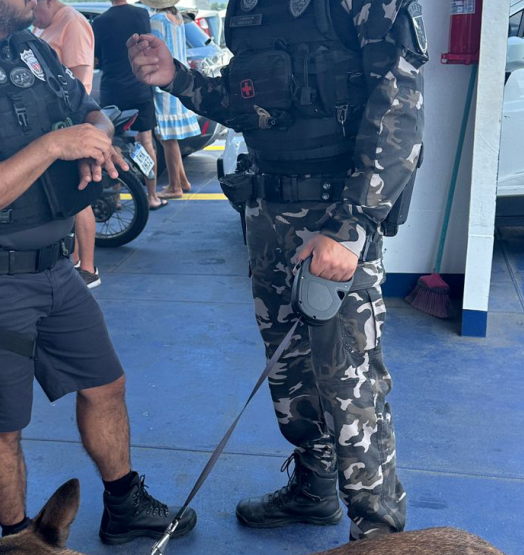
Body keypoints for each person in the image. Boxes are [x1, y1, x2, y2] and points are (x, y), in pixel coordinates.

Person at [0, 0, 197, 545]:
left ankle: (123, 506)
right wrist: (54, 145)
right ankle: (19, 538)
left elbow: (88, 109)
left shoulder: (26, 49)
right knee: (1, 423)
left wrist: (92, 137)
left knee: (106, 385)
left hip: (56, 266)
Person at [129, 0, 427, 542]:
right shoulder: (251, 8)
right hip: (269, 215)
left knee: (349, 380)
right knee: (290, 373)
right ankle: (315, 492)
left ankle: (379, 535)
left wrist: (351, 228)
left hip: (335, 219)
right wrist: (177, 78)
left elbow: (399, 111)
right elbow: (250, 106)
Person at [33, 0, 101, 288]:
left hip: (68, 124)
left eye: (34, 7)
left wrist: (72, 126)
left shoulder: (71, 22)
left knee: (78, 199)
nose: (31, 13)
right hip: (52, 127)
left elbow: (80, 77)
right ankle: (73, 262)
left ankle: (88, 268)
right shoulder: (44, 24)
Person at [93, 0, 166, 210]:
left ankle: (115, 198)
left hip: (112, 89)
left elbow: (96, 57)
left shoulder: (100, 21)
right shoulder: (141, 14)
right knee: (146, 140)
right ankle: (151, 196)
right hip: (139, 85)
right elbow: (147, 46)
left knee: (112, 141)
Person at [147, 0, 200, 200]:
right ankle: (182, 181)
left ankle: (174, 186)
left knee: (167, 137)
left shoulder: (157, 20)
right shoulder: (177, 17)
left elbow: (154, 54)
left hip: (163, 84)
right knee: (171, 137)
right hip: (179, 79)